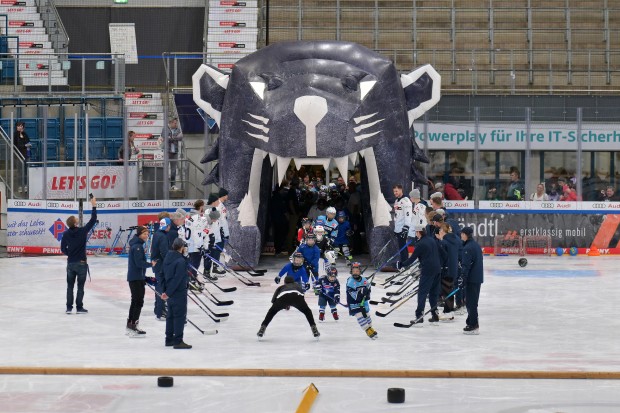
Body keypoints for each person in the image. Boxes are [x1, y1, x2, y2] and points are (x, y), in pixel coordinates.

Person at [398, 223, 442, 327]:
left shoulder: (420, 244)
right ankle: (435, 314)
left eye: (416, 233)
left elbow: (411, 260)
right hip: (437, 269)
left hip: (427, 271)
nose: (415, 235)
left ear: (419, 232)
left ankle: (419, 316)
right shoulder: (432, 240)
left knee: (422, 293)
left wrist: (400, 264)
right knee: (433, 294)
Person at [60, 196, 97, 314]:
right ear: (75, 223)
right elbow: (93, 220)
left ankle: (69, 308)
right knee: (80, 287)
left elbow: (62, 248)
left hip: (71, 263)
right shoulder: (82, 231)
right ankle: (79, 307)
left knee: (70, 287)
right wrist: (94, 205)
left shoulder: (66, 234)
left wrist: (70, 254)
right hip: (81, 263)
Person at [161, 238, 192, 349]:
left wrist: (165, 291)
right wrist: (168, 293)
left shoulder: (167, 258)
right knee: (179, 316)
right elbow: (177, 279)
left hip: (169, 291)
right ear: (182, 248)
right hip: (178, 292)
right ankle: (178, 341)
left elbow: (162, 274)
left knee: (170, 316)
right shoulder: (180, 261)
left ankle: (169, 339)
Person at [126, 226, 156, 337]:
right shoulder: (137, 247)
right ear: (139, 234)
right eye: (144, 234)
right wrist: (151, 264)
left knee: (135, 301)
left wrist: (144, 277)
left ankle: (131, 324)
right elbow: (139, 263)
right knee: (138, 301)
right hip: (135, 278)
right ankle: (133, 325)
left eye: (147, 234)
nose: (146, 236)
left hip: (137, 277)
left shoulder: (137, 245)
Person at [460, 226, 484, 335]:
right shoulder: (476, 245)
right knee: (472, 302)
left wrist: (463, 279)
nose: (461, 235)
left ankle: (474, 325)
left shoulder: (467, 248)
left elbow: (466, 266)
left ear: (465, 234)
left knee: (471, 303)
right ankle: (471, 322)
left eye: (462, 234)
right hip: (477, 278)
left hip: (471, 279)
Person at [346, 262, 377, 339]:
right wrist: (362, 292)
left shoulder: (364, 280)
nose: (355, 273)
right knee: (360, 316)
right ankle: (367, 330)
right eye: (353, 271)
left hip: (364, 303)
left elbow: (368, 289)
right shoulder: (350, 281)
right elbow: (353, 294)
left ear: (360, 271)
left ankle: (370, 328)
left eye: (357, 271)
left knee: (367, 316)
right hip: (354, 303)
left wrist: (367, 293)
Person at [436, 223, 460, 319]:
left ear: (442, 231)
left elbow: (443, 257)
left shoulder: (444, 242)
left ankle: (448, 312)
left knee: (447, 291)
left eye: (440, 231)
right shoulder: (455, 240)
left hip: (447, 269)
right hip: (453, 268)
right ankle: (448, 311)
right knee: (449, 290)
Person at [151, 217, 171, 321]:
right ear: (167, 226)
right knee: (161, 288)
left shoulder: (157, 233)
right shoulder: (162, 236)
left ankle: (158, 309)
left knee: (159, 287)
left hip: (157, 265)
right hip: (161, 266)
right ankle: (161, 311)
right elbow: (164, 253)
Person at [393, 184, 412, 264]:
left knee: (403, 247)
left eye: (396, 191)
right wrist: (395, 228)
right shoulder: (397, 201)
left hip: (403, 228)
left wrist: (406, 227)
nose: (395, 193)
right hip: (398, 228)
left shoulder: (406, 201)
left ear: (401, 190)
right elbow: (397, 215)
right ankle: (403, 263)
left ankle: (405, 264)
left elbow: (408, 215)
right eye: (394, 191)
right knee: (400, 247)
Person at [163, 117, 183, 190]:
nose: (176, 124)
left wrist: (171, 137)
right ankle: (164, 185)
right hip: (167, 152)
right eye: (175, 123)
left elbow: (180, 138)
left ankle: (173, 185)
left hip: (175, 152)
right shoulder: (165, 129)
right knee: (165, 169)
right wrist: (174, 137)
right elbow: (165, 138)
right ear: (171, 123)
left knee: (173, 170)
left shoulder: (178, 129)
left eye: (176, 123)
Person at [13, 121, 31, 193]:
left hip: (25, 155)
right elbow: (15, 146)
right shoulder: (15, 135)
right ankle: (20, 186)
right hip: (18, 156)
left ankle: (26, 186)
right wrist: (24, 146)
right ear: (16, 127)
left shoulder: (25, 134)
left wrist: (27, 145)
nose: (20, 127)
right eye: (19, 126)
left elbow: (28, 142)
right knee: (20, 171)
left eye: (21, 126)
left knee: (26, 171)